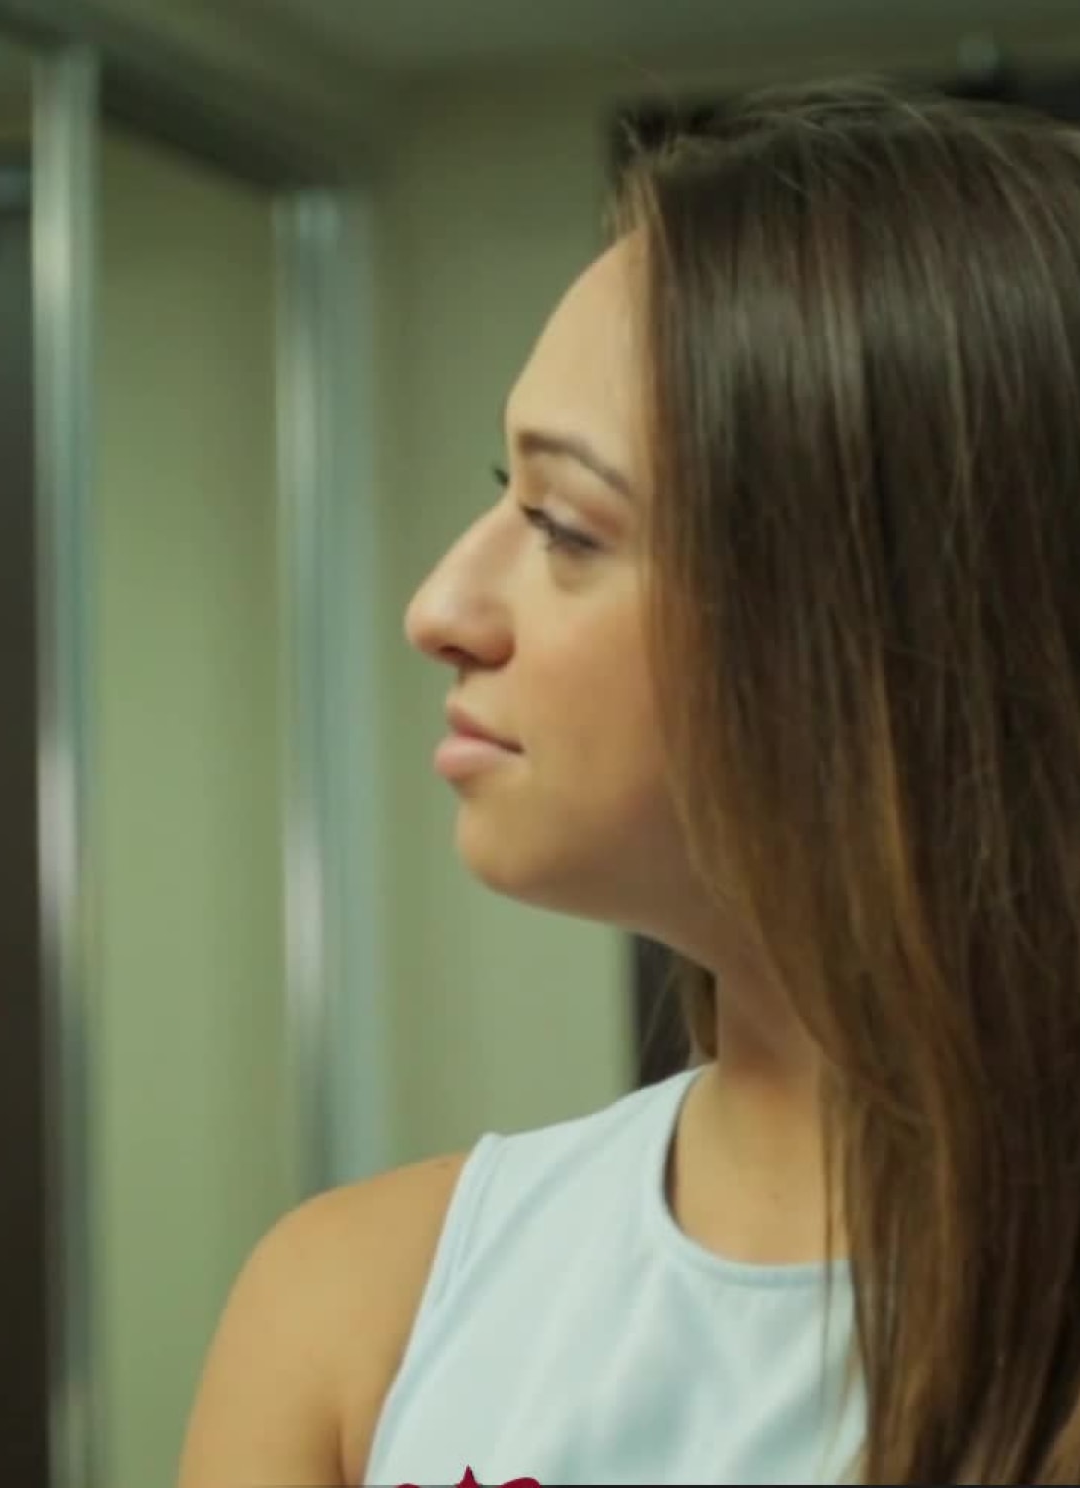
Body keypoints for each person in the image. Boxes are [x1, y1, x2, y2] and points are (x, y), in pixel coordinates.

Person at [178, 84, 1080, 1487]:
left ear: (880, 630)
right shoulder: (360, 1319)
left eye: (563, 525)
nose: (440, 608)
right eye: (506, 493)